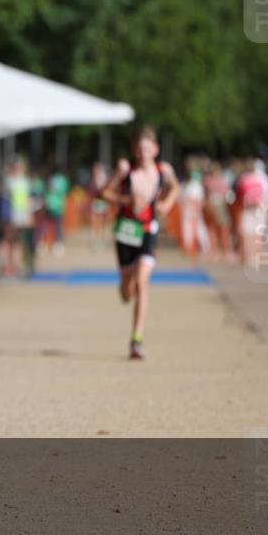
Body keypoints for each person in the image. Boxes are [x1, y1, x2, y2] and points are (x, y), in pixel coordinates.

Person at [100, 126, 180, 360]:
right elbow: (104, 193)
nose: (143, 153)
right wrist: (126, 199)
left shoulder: (163, 170)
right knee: (128, 290)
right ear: (135, 150)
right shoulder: (125, 170)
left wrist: (166, 205)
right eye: (140, 149)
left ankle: (136, 340)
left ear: (155, 150)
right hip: (126, 230)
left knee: (143, 281)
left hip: (148, 230)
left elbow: (175, 187)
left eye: (148, 148)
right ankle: (125, 284)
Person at [89, 162, 111, 246]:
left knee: (103, 222)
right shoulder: (93, 180)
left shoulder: (104, 179)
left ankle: (101, 239)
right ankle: (94, 239)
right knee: (95, 221)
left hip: (103, 202)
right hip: (96, 202)